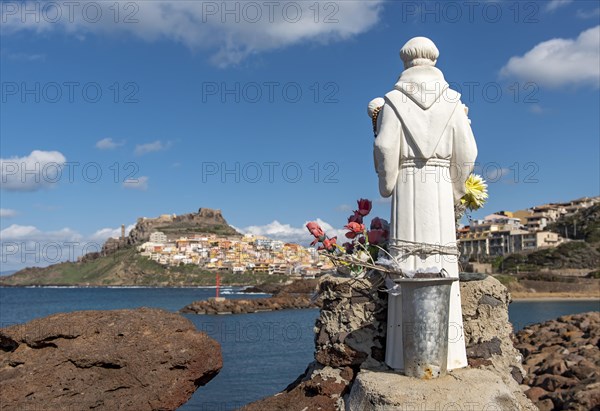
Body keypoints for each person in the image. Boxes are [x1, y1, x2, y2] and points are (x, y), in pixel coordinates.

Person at [373, 37, 477, 371]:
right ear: (433, 61)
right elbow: (468, 153)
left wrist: (386, 183)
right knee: (444, 258)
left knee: (406, 261)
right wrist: (456, 188)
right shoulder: (453, 100)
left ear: (405, 62)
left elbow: (386, 147)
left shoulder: (392, 100)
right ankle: (452, 355)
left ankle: (402, 357)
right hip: (440, 184)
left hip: (407, 183)